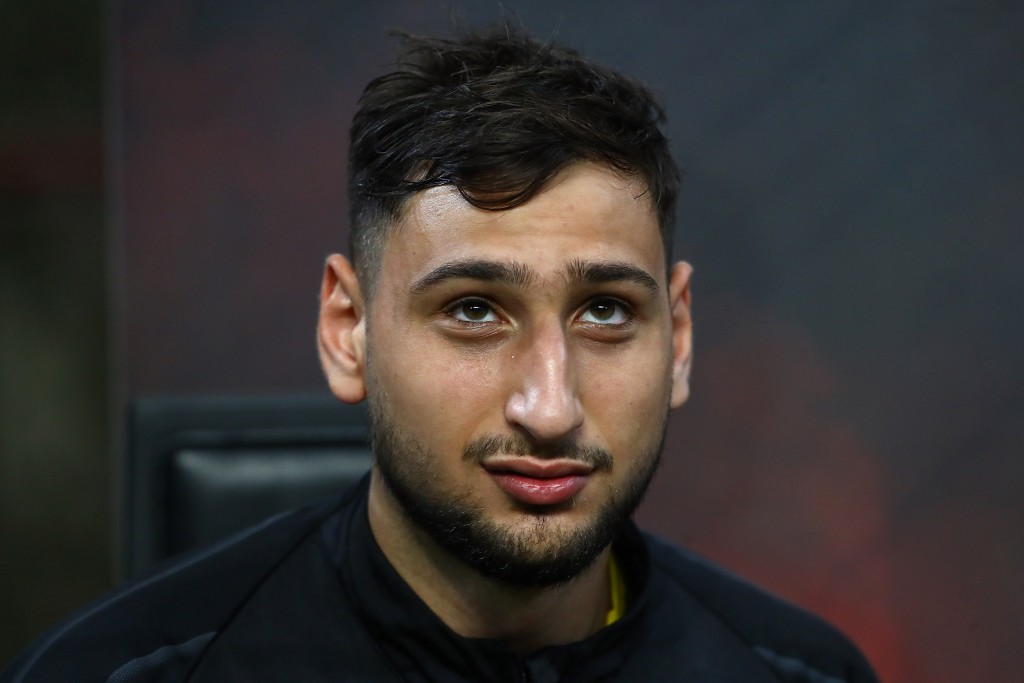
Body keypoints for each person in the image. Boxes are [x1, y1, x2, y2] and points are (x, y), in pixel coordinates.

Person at [2, 25, 879, 683]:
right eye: (473, 309)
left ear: (678, 338)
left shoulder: (799, 672)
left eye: (605, 310)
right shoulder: (117, 674)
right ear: (349, 330)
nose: (550, 406)